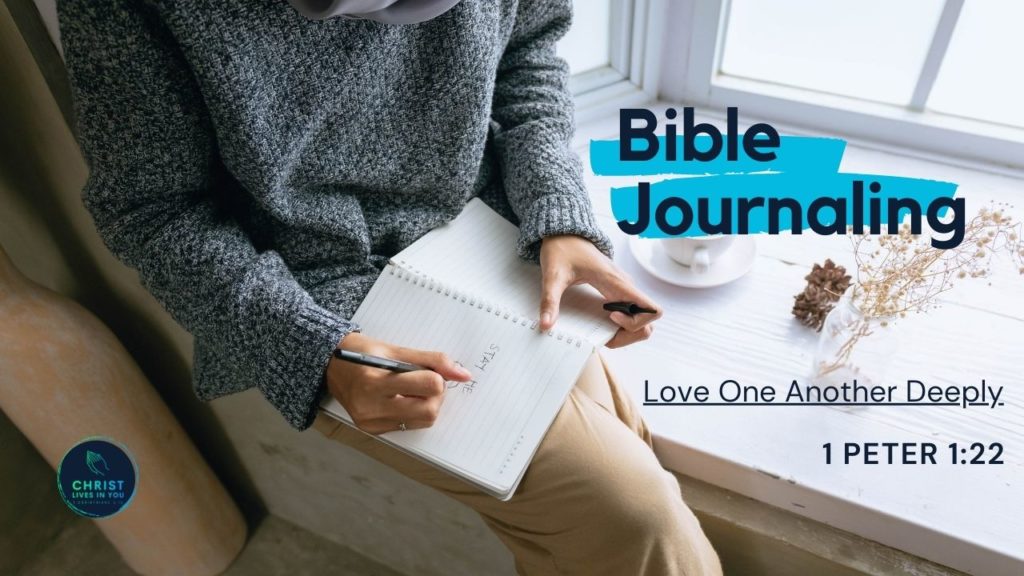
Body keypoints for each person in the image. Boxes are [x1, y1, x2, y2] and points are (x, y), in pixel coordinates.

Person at [57, 0, 722, 573]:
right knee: (635, 517)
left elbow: (527, 48)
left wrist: (558, 217)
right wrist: (312, 351)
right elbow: (154, 209)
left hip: (482, 225)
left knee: (618, 494)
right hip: (318, 293)